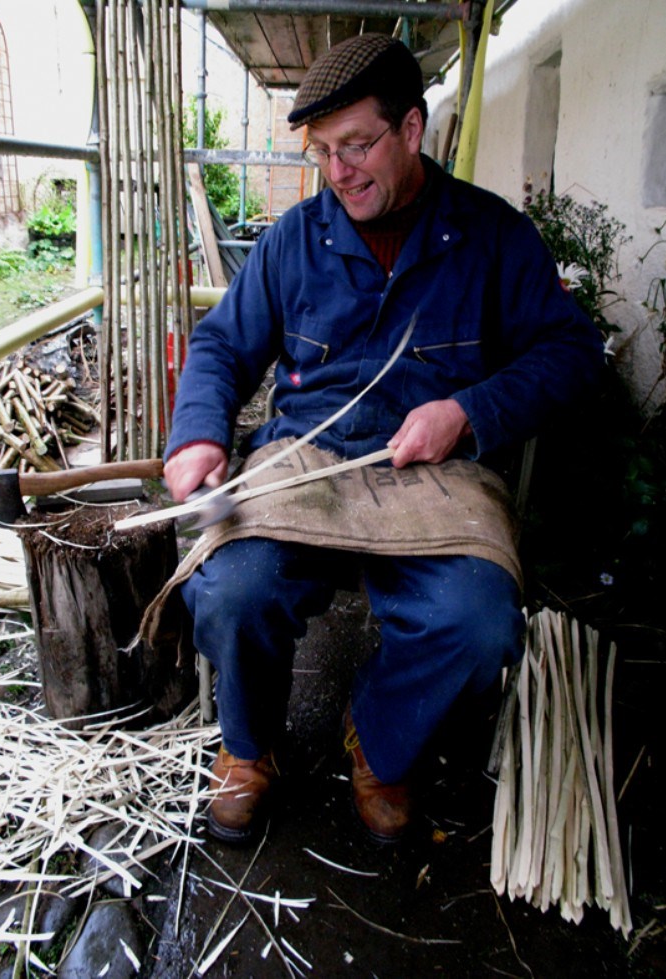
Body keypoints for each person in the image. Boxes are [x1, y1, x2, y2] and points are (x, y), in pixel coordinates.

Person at [164, 33, 603, 845]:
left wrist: (468, 411)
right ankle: (249, 748)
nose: (339, 172)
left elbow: (571, 354)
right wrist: (196, 434)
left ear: (412, 129)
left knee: (477, 623)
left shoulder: (491, 237)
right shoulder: (294, 241)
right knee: (228, 588)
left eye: (358, 145)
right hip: (308, 462)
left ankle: (379, 734)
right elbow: (222, 346)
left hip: (433, 473)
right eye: (323, 152)